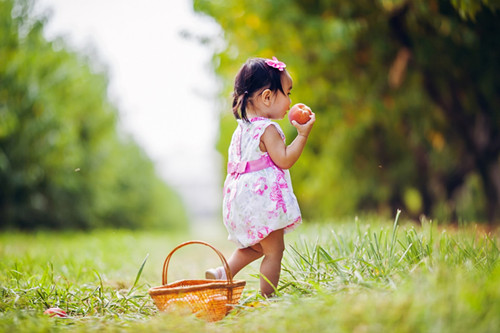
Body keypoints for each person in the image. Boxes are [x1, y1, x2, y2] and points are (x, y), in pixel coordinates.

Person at [206, 56, 316, 297]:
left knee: (255, 247)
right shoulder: (267, 129)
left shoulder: (241, 130)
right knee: (274, 251)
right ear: (267, 97)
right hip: (263, 203)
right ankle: (268, 297)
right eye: (287, 93)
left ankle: (222, 273)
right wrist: (303, 136)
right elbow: (285, 159)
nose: (290, 101)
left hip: (240, 204)